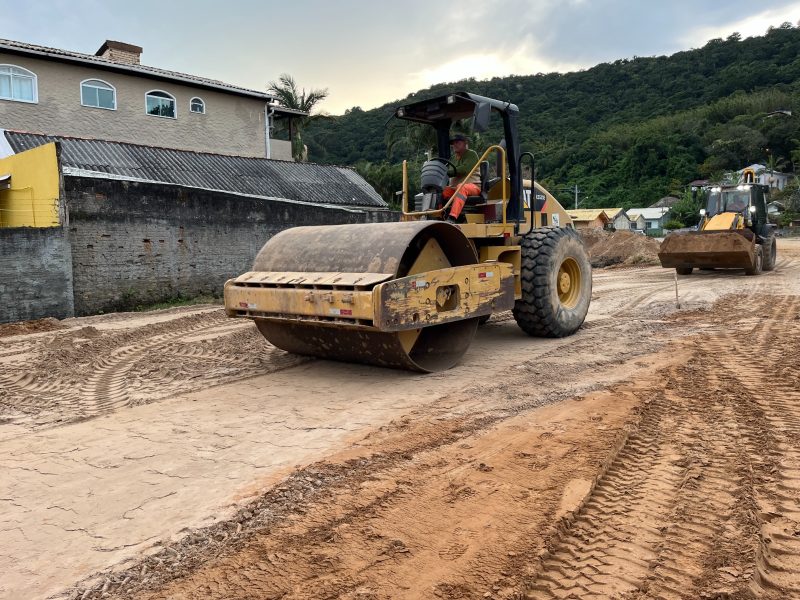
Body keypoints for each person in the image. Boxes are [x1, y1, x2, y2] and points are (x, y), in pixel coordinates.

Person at [443, 134, 481, 221]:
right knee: (442, 190)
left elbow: (465, 169)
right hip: (456, 188)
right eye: (453, 143)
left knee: (462, 187)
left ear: (465, 143)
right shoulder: (455, 158)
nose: (454, 145)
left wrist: (447, 173)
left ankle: (452, 217)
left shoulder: (471, 154)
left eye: (457, 142)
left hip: (473, 187)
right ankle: (438, 215)